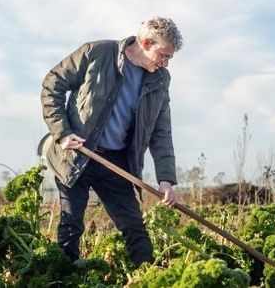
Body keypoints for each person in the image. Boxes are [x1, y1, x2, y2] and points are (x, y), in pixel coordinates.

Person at [38, 16, 182, 266]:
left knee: (134, 227)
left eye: (170, 58)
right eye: (163, 55)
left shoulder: (160, 80)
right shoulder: (97, 52)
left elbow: (161, 131)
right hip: (77, 154)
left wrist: (166, 178)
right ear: (147, 42)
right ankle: (62, 280)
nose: (165, 63)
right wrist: (61, 132)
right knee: (71, 226)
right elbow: (53, 85)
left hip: (116, 162)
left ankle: (151, 277)